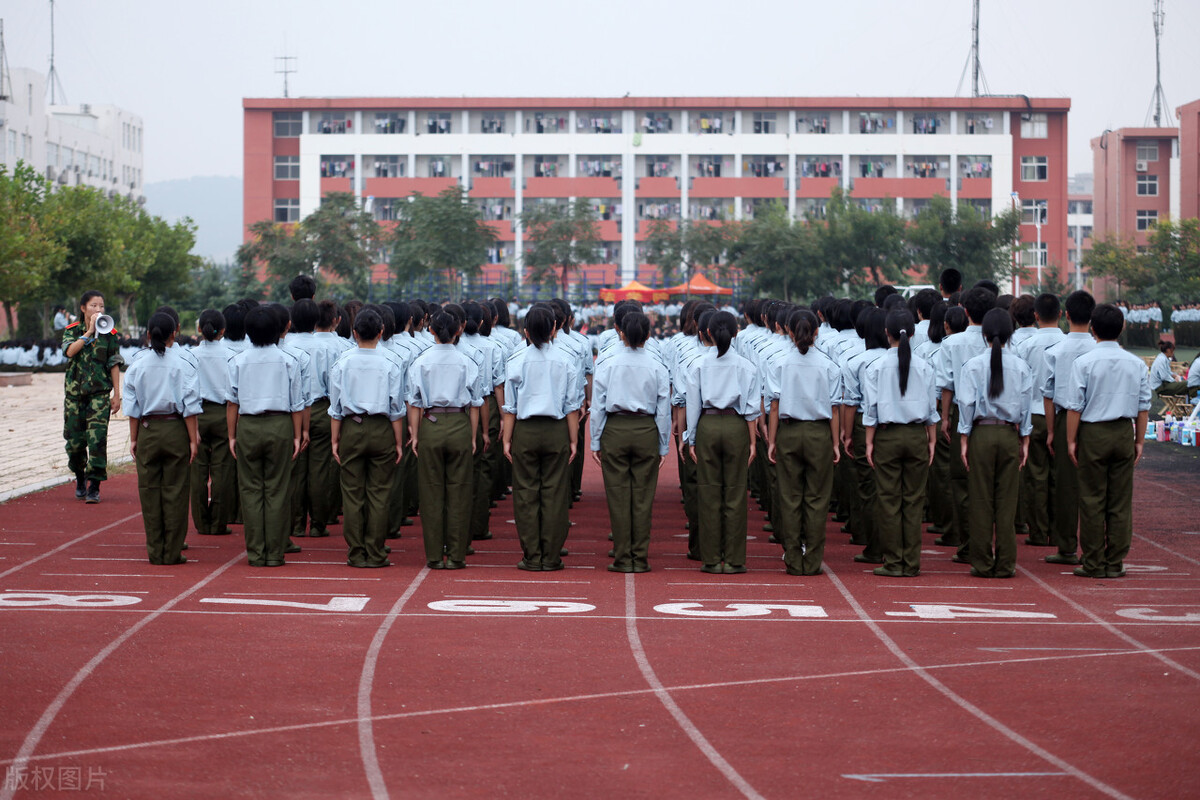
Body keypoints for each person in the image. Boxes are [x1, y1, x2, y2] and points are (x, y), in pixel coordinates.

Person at [1063, 304, 1151, 579]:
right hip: (1124, 430)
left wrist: (1071, 440)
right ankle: (1115, 561)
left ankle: (1093, 561)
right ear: (1122, 328)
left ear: (1093, 329)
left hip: (1093, 432)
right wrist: (1139, 441)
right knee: (1120, 500)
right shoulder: (1136, 363)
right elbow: (1143, 407)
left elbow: (1075, 407)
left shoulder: (1084, 362)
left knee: (1092, 499)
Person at [503, 306, 583, 571]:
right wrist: (574, 440)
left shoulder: (516, 361)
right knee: (555, 493)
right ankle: (551, 556)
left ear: (525, 332)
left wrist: (507, 439)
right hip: (556, 429)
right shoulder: (566, 361)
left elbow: (510, 407)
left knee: (526, 494)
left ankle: (532, 556)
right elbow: (572, 406)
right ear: (554, 329)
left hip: (525, 430)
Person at [591, 311, 670, 573]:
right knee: (643, 497)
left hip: (615, 428)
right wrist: (663, 444)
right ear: (648, 335)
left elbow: (598, 406)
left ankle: (623, 556)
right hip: (646, 428)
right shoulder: (657, 365)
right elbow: (663, 410)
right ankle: (640, 556)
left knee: (618, 496)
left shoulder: (608, 363)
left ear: (621, 334)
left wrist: (595, 441)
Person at [956, 309, 1033, 579]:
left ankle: (982, 562)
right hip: (1009, 434)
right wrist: (1024, 438)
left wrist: (964, 438)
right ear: (1011, 334)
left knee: (980, 500)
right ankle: (1005, 563)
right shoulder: (1021, 366)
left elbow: (966, 404)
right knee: (1007, 501)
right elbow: (1025, 406)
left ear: (984, 334)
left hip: (982, 433)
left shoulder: (972, 366)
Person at [764, 309, 841, 576]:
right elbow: (834, 408)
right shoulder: (830, 365)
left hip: (789, 431)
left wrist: (772, 440)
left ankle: (793, 558)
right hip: (819, 432)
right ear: (817, 332)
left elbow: (774, 406)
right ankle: (813, 560)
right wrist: (835, 443)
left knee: (790, 497)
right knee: (817, 498)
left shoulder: (779, 362)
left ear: (789, 331)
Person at [863, 308, 939, 578]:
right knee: (914, 501)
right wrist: (932, 439)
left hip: (888, 435)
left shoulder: (876, 367)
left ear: (887, 333)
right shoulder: (925, 366)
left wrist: (869, 442)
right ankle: (912, 562)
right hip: (917, 434)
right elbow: (931, 410)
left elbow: (871, 409)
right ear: (914, 332)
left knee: (889, 500)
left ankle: (894, 562)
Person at [227, 305, 305, 567]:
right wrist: (297, 435)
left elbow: (232, 402)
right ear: (278, 330)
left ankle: (256, 553)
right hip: (279, 424)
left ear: (248, 332)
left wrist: (231, 435)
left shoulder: (237, 360)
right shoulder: (288, 360)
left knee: (250, 490)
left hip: (248, 425)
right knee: (277, 490)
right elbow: (297, 402)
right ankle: (274, 553)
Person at [684, 311, 761, 574]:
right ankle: (735, 559)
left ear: (707, 333)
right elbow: (751, 409)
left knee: (708, 493)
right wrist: (752, 442)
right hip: (736, 425)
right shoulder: (747, 366)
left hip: (707, 424)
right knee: (735, 493)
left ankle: (711, 559)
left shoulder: (697, 364)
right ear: (736, 332)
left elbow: (692, 404)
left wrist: (692, 439)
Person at [329, 308, 406, 569]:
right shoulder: (391, 362)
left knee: (352, 495)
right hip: (382, 427)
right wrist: (398, 442)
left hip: (351, 426)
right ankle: (375, 551)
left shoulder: (342, 362)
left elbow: (335, 407)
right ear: (381, 332)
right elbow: (396, 408)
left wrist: (335, 439)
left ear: (354, 333)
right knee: (379, 493)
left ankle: (356, 552)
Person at [123, 312, 202, 565]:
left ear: (148, 334)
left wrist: (134, 439)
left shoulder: (137, 365)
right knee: (176, 491)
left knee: (149, 493)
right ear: (174, 334)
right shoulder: (183, 364)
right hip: (175, 428)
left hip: (147, 429)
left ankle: (155, 551)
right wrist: (193, 439)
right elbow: (190, 407)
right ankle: (172, 551)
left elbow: (132, 408)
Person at [406, 310, 482, 570]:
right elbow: (475, 403)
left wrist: (415, 434)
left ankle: (435, 555)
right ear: (459, 330)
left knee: (431, 492)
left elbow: (414, 402)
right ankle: (457, 555)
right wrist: (473, 436)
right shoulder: (467, 362)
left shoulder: (421, 361)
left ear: (431, 331)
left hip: (431, 423)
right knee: (460, 491)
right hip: (460, 422)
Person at [935, 287, 996, 563]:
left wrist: (946, 417)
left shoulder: (952, 343)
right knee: (991, 483)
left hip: (963, 412)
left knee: (962, 482)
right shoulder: (1002, 342)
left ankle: (969, 544)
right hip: (996, 415)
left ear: (965, 311)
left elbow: (947, 385)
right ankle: (989, 543)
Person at [1042, 290, 1097, 567]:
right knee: (1096, 487)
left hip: (1065, 419)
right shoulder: (1099, 349)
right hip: (1096, 421)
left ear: (1066, 315)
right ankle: (1096, 549)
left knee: (1066, 486)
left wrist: (1052, 431)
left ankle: (1066, 547)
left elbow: (1048, 395)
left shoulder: (1056, 350)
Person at [61, 290, 124, 503]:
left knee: (97, 441)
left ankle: (94, 485)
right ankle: (80, 476)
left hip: (99, 396)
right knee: (75, 443)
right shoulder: (72, 330)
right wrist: (88, 332)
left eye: (101, 306)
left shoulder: (110, 333)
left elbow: (114, 363)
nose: (98, 310)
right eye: (93, 306)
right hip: (74, 397)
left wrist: (117, 394)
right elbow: (70, 351)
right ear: (83, 308)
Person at [1015, 293, 1066, 547]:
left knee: (1035, 476)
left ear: (1036, 316)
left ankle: (1037, 531)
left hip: (1033, 415)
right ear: (1061, 314)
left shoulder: (1025, 346)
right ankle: (1058, 533)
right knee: (1060, 476)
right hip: (1062, 415)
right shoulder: (1067, 343)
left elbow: (1018, 384)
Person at [191, 309, 235, 537]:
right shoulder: (231, 356)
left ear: (199, 329)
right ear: (223, 331)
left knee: (197, 470)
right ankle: (218, 523)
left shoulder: (190, 355)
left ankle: (201, 523)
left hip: (196, 413)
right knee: (222, 471)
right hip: (223, 413)